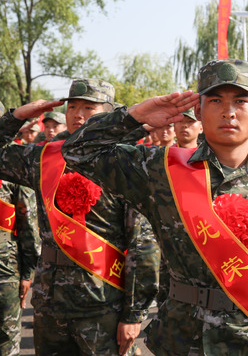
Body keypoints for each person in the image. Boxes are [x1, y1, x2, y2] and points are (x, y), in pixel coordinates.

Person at [61, 59, 248, 354]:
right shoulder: (160, 171)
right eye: (215, 100)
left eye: (240, 101)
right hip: (180, 341)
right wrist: (135, 116)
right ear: (198, 111)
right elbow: (77, 151)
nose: (229, 112)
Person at [0, 79, 159, 355]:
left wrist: (133, 314)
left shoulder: (125, 162)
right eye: (72, 107)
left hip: (103, 302)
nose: (78, 115)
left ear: (110, 115)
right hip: (50, 304)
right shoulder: (44, 158)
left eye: (89, 107)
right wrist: (15, 118)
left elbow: (142, 245)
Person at [0, 101, 41, 355]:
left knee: (6, 342)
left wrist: (27, 273)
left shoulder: (16, 161)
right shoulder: (15, 160)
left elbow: (27, 223)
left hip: (4, 270)